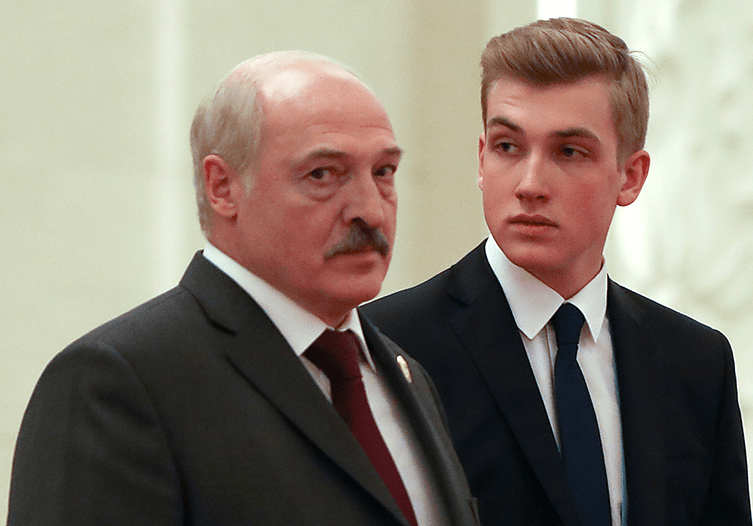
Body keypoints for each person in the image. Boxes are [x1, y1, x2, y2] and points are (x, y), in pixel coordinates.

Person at [7, 51, 479, 526]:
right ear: (223, 187)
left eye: (383, 173)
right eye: (322, 174)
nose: (371, 211)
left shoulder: (405, 375)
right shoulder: (118, 382)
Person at [363, 18, 751, 526]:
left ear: (630, 177)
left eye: (568, 151)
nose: (530, 184)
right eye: (508, 146)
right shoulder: (387, 347)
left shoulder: (696, 362)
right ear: (481, 160)